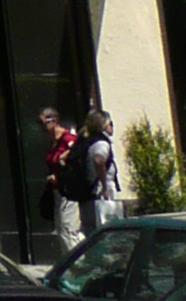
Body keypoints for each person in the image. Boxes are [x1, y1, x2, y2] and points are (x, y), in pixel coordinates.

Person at [39, 106, 83, 250]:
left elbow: (78, 153)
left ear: (55, 121)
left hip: (68, 190)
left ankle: (80, 263)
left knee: (68, 229)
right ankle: (71, 263)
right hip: (57, 190)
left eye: (44, 123)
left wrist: (65, 157)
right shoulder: (53, 142)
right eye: (39, 124)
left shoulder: (67, 139)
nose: (41, 128)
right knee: (61, 229)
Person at [83, 108, 124, 229]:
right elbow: (98, 160)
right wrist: (105, 186)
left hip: (92, 191)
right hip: (101, 192)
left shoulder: (89, 141)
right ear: (104, 125)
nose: (112, 127)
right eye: (110, 123)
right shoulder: (102, 143)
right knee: (107, 229)